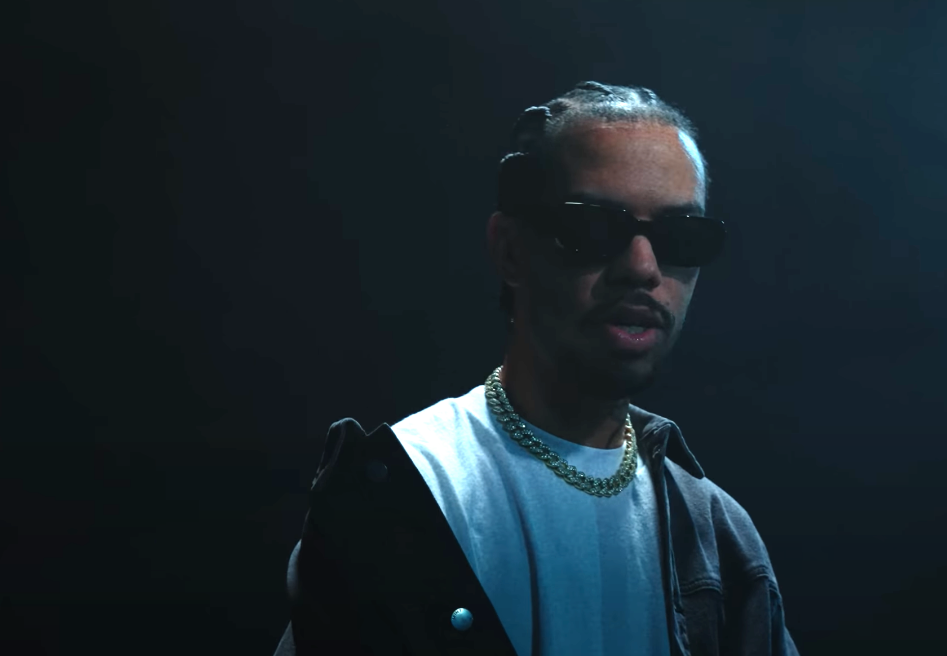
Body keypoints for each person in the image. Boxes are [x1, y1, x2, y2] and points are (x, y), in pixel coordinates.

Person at [273, 81, 800, 656]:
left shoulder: (719, 537)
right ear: (510, 250)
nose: (643, 267)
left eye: (682, 237)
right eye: (594, 228)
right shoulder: (405, 490)